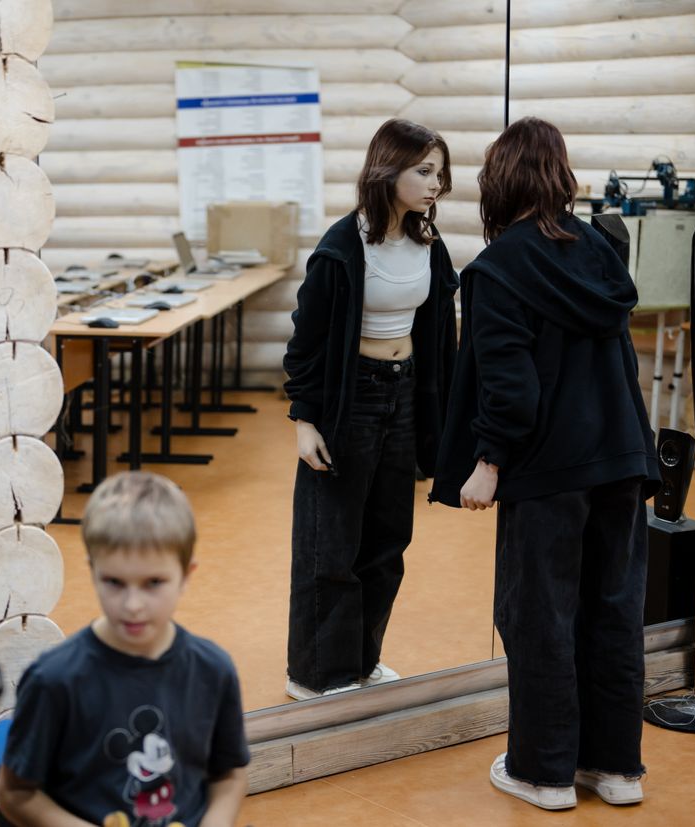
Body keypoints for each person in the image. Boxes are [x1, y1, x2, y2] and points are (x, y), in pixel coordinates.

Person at [431, 117, 659, 811]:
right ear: (559, 174)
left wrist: (488, 462)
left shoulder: (498, 269)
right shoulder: (602, 250)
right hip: (621, 458)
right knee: (613, 612)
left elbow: (511, 385)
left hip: (550, 469)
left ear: (498, 180)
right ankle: (616, 769)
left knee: (540, 616)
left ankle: (545, 771)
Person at [282, 118, 458, 700]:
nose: (436, 184)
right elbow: (305, 343)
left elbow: (439, 333)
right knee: (330, 541)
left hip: (403, 393)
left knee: (387, 539)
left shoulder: (429, 245)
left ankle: (360, 661)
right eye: (424, 171)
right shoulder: (341, 247)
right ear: (389, 171)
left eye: (439, 172)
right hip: (350, 397)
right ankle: (316, 674)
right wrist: (305, 422)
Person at [0, 471, 250, 827]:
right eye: (114, 582)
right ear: (92, 571)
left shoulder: (214, 670)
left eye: (153, 583)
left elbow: (229, 776)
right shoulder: (53, 680)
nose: (132, 605)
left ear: (187, 575)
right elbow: (14, 793)